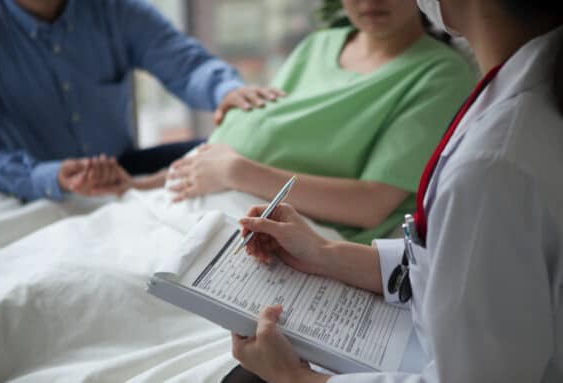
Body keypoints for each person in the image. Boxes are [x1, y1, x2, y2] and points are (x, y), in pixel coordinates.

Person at [226, 0, 563, 382]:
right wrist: (326, 253)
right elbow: (468, 260)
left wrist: (296, 379)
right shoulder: (522, 90)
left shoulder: (493, 164)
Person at [166, 0, 475, 245]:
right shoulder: (319, 45)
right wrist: (140, 183)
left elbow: (371, 205)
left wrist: (237, 172)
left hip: (291, 231)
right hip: (203, 197)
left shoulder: (441, 76)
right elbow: (249, 141)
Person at [0, 0, 283, 203]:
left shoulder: (114, 9)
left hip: (122, 166)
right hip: (33, 182)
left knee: (237, 155)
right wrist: (49, 177)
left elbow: (185, 63)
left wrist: (226, 91)